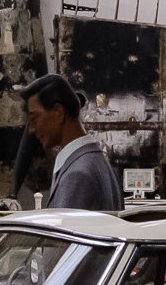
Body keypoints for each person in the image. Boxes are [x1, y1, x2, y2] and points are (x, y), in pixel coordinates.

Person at [23, 72, 122, 211]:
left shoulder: (78, 174)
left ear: (58, 112)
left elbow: (63, 231)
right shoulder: (96, 162)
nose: (31, 129)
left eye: (34, 118)